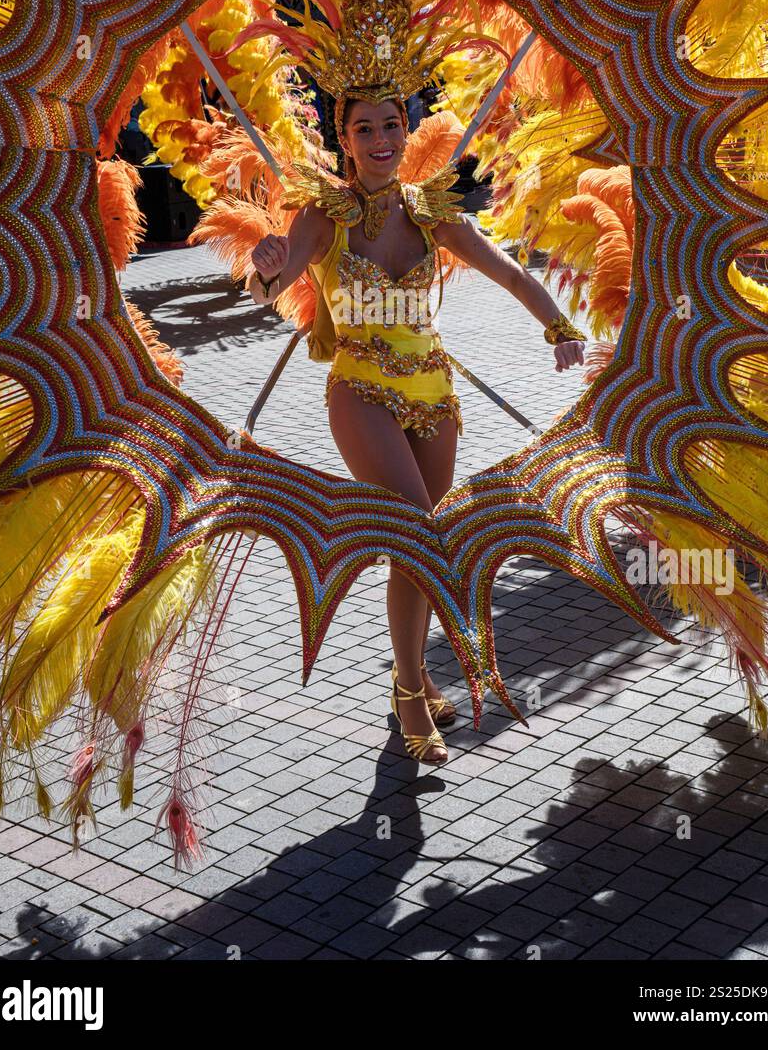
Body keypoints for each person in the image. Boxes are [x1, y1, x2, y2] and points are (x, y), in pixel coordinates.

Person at [245, 88, 585, 765]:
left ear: (405, 131)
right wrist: (267, 268)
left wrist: (560, 327)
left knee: (419, 548)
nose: (380, 139)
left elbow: (512, 274)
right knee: (417, 531)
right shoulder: (324, 215)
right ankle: (407, 692)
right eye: (364, 127)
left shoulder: (433, 213)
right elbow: (269, 290)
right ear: (344, 139)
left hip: (434, 394)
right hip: (360, 391)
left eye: (391, 125)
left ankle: (420, 676)